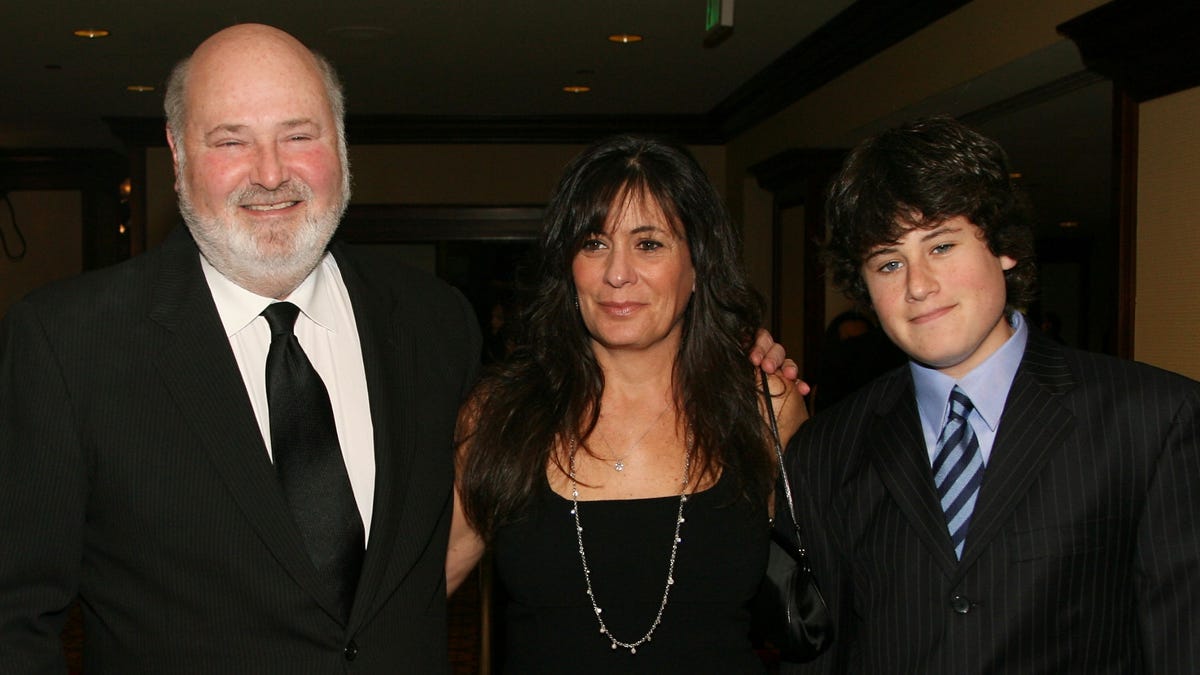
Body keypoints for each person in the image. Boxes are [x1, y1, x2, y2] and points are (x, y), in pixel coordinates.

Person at [0, 24, 485, 672]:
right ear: (176, 154)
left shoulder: (437, 323)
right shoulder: (68, 343)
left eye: (299, 135)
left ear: (339, 142)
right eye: (231, 140)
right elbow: (14, 619)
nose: (270, 173)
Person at [784, 116, 1200, 672]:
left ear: (1003, 247)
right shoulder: (826, 449)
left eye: (942, 246)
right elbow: (818, 655)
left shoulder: (1153, 418)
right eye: (889, 262)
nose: (917, 285)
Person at [445, 134, 806, 673]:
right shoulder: (502, 414)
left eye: (649, 244)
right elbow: (418, 593)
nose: (618, 273)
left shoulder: (761, 405)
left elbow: (838, 588)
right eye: (594, 243)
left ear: (699, 262)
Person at [810, 310, 904, 413]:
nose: (857, 352)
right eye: (850, 344)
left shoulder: (889, 389)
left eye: (863, 343)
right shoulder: (824, 390)